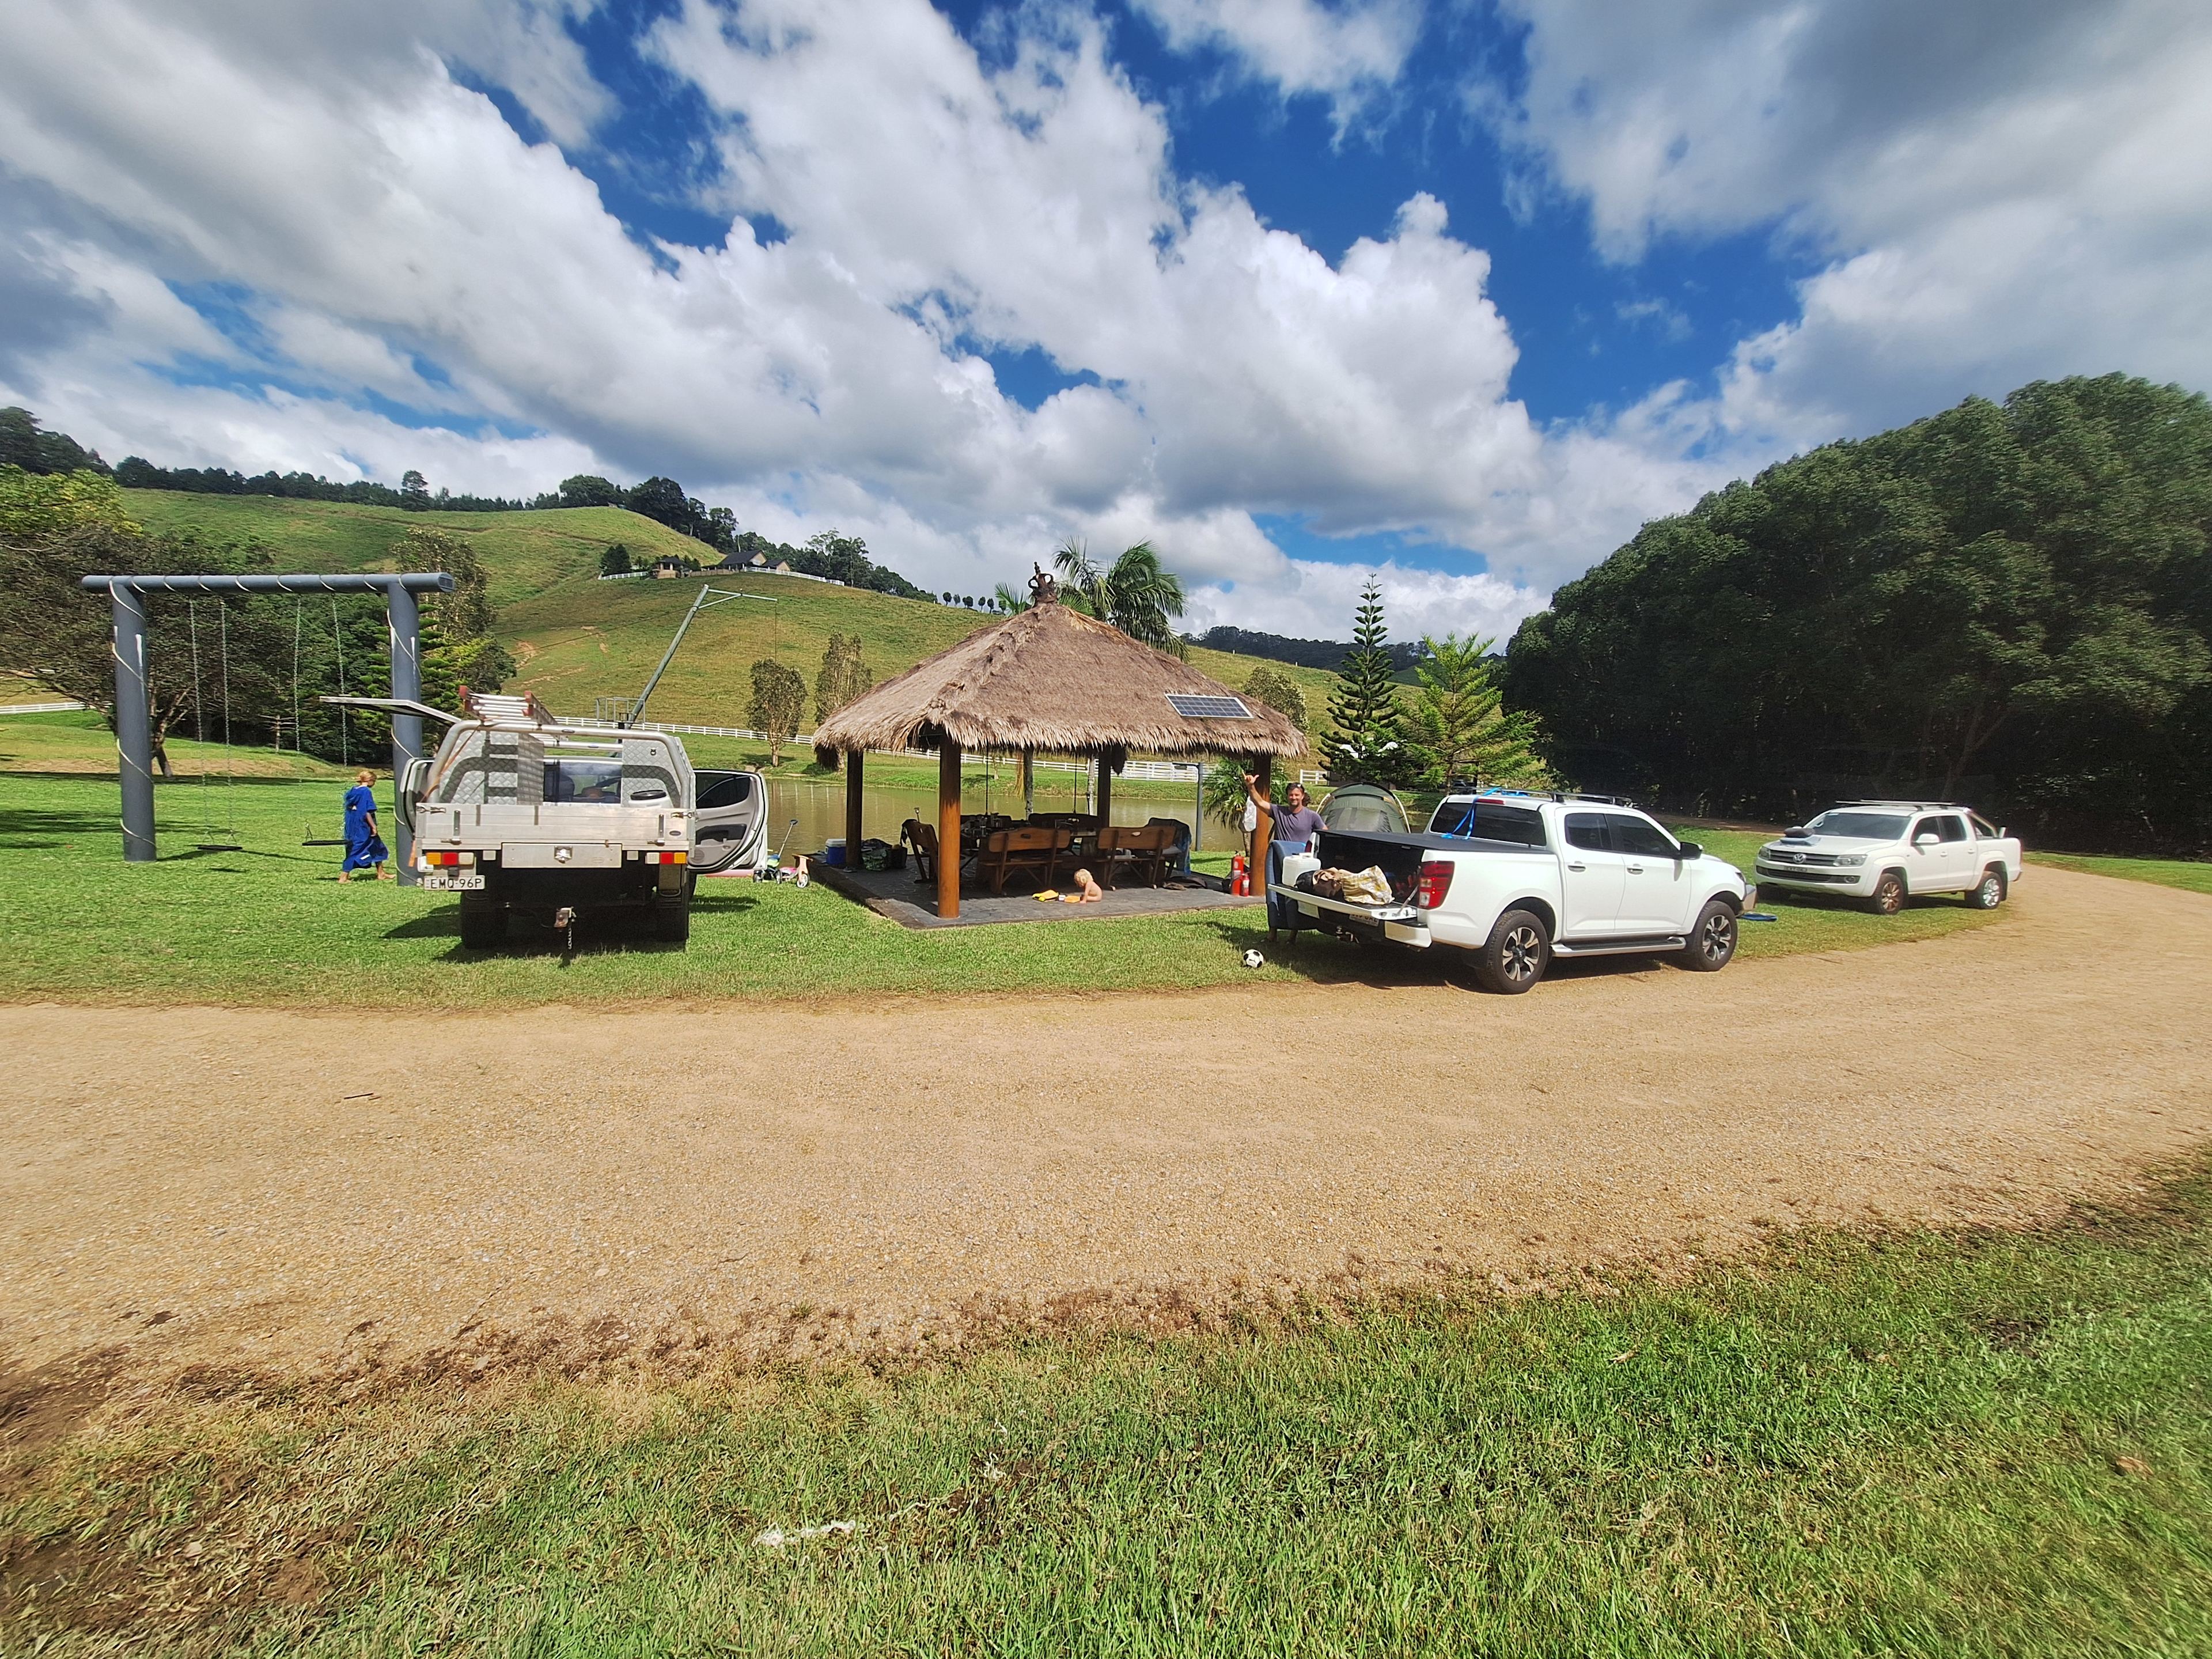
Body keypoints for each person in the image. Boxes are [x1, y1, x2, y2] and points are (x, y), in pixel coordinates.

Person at [1243, 774, 1324, 938]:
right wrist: (1251, 786)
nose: (1293, 798)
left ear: (1302, 796)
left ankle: (1292, 935)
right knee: (1274, 894)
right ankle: (1272, 933)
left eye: (1296, 795)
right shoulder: (1279, 811)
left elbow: (1325, 834)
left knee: (1294, 898)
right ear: (1287, 796)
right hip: (1279, 859)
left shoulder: (1312, 816)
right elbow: (1259, 802)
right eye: (1291, 795)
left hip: (1300, 865)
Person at [339, 767, 393, 882]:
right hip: (363, 825)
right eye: (374, 781)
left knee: (378, 847)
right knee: (357, 848)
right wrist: (373, 826)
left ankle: (381, 873)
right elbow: (367, 811)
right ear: (370, 781)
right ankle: (343, 877)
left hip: (352, 824)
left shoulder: (353, 790)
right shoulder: (366, 792)